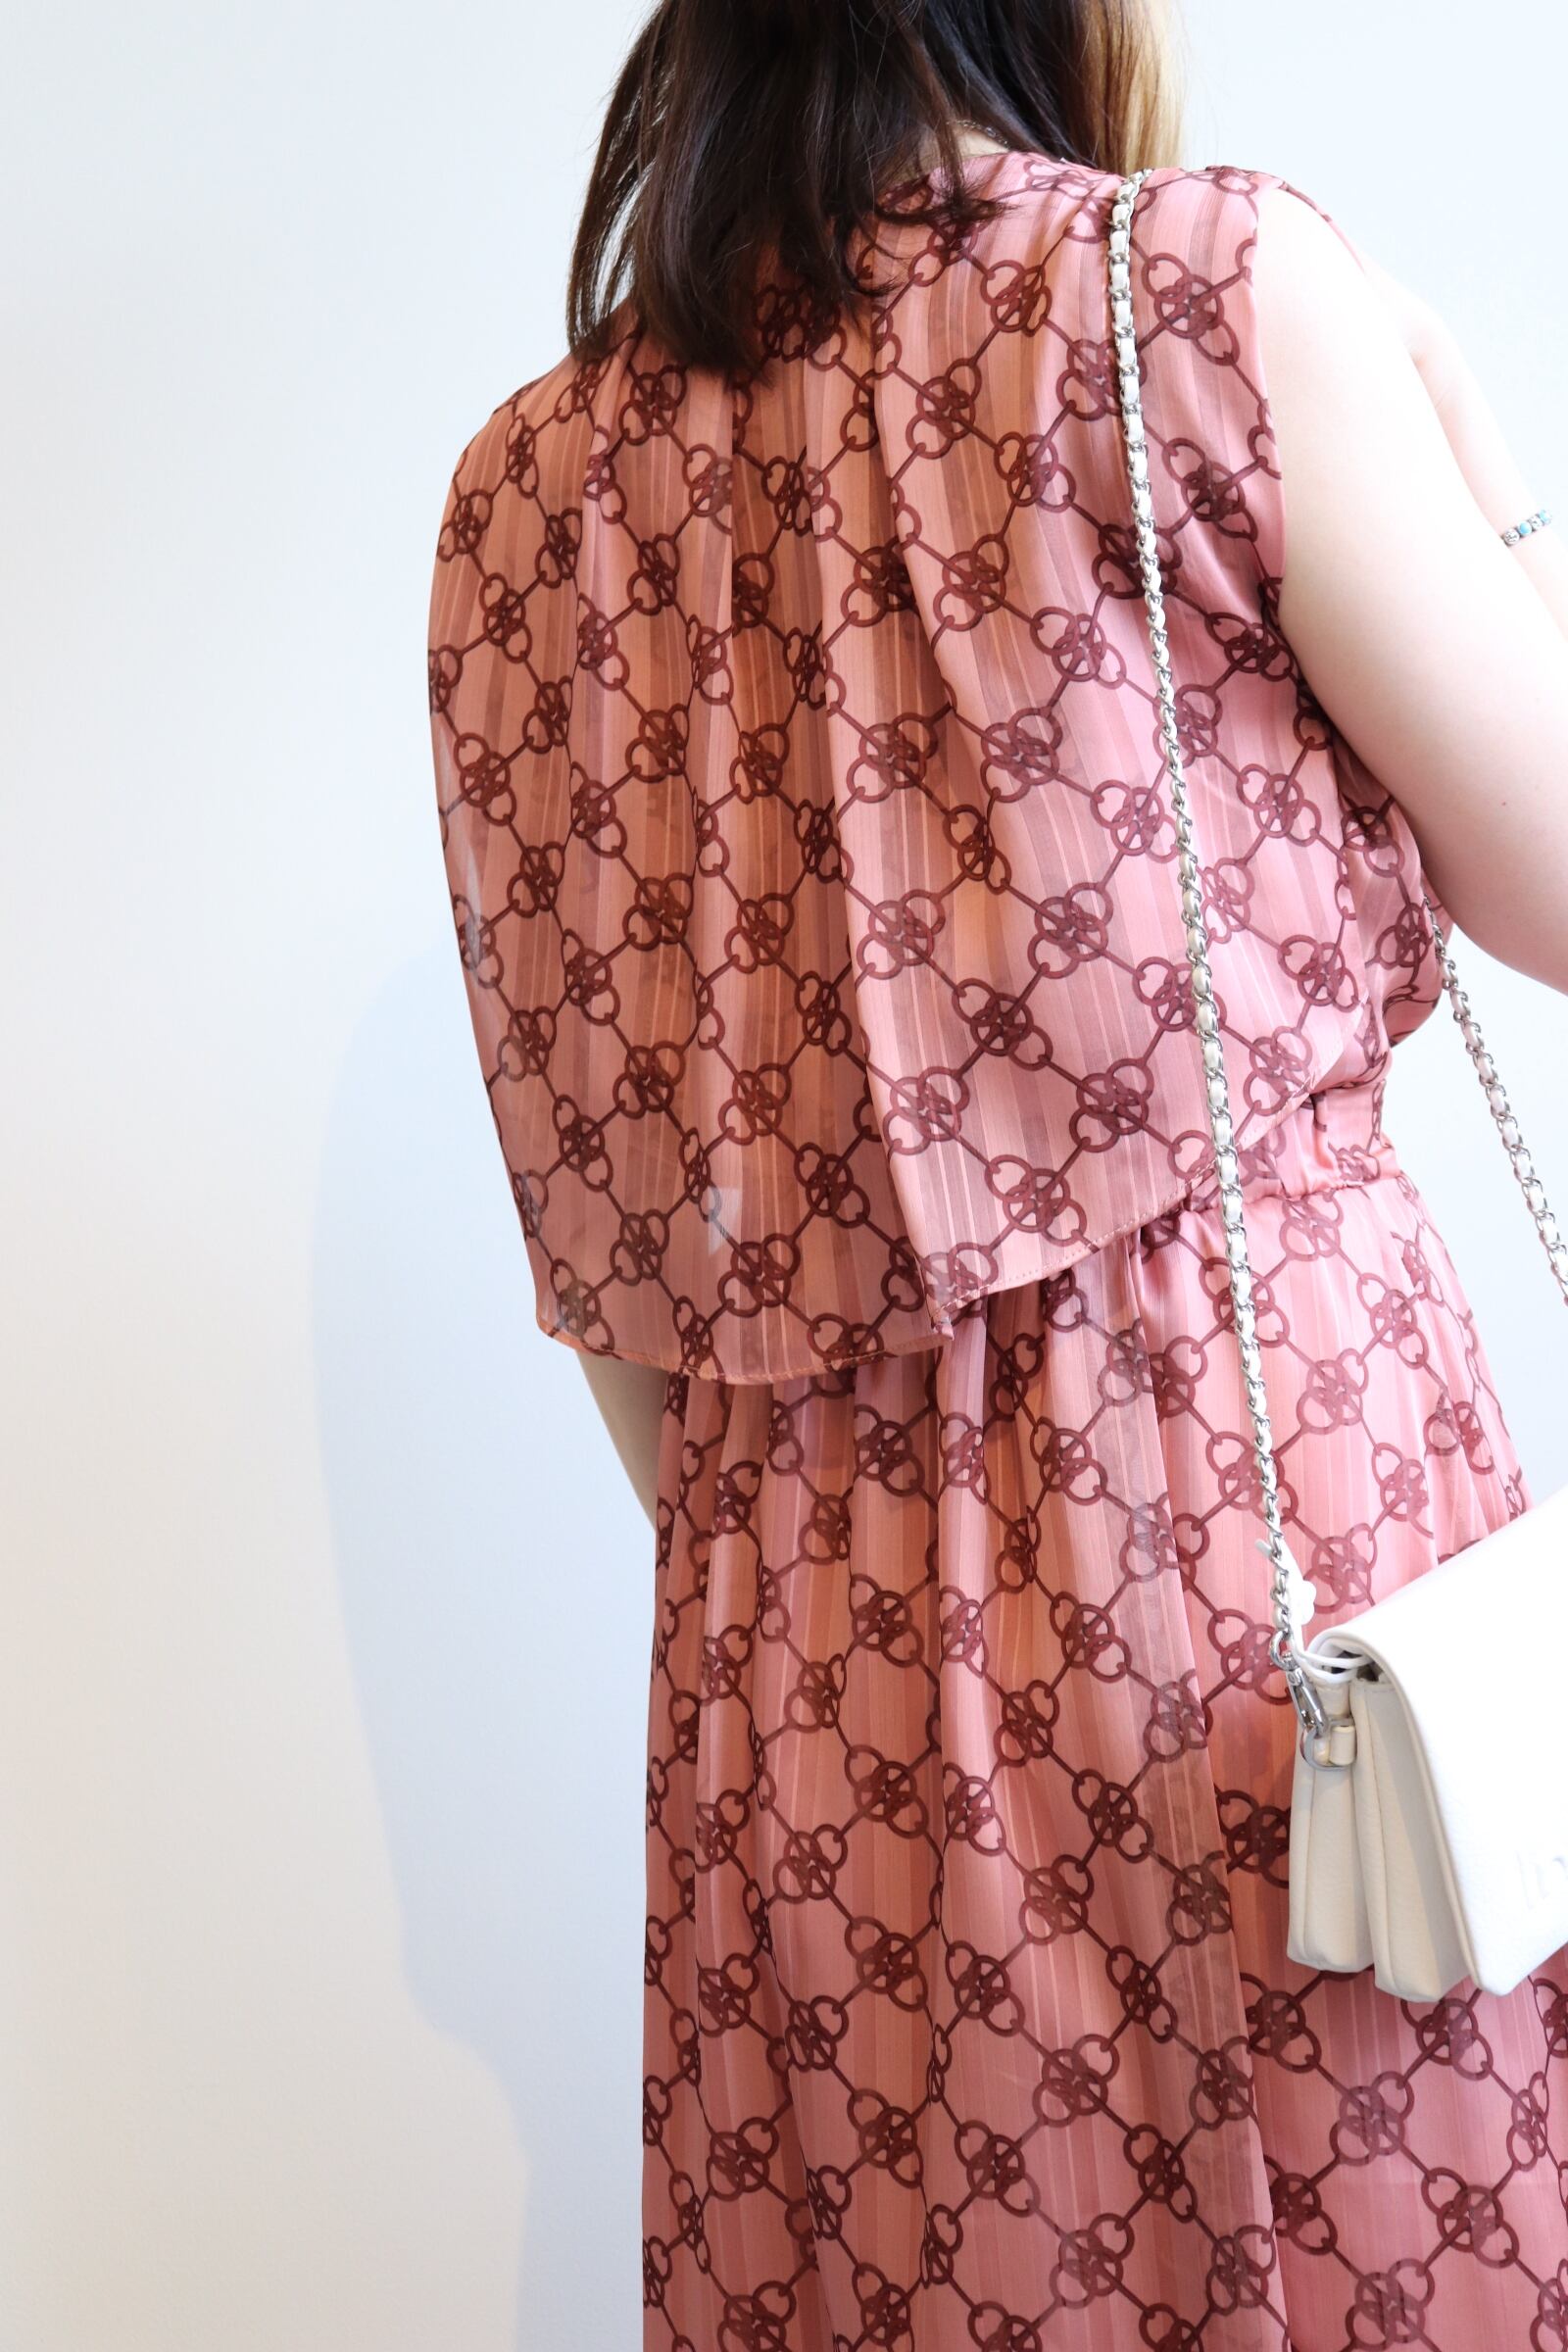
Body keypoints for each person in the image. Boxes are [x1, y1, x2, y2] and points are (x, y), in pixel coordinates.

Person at [425, 3, 1568, 2342]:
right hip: (1259, 1592)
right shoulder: (1193, 295)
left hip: (792, 1676)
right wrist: (1487, 490)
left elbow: (613, 1280)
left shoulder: (517, 501)